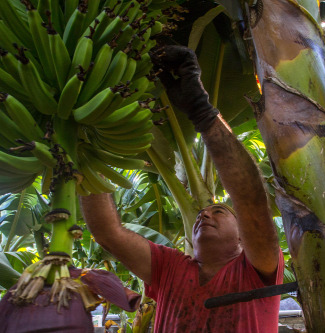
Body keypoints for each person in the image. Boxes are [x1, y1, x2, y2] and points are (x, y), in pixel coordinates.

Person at [80, 45, 282, 332]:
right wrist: (89, 145)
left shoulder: (255, 269)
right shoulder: (169, 268)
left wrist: (202, 111)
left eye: (219, 211)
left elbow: (249, 197)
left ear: (241, 237)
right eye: (203, 212)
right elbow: (106, 232)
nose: (204, 215)